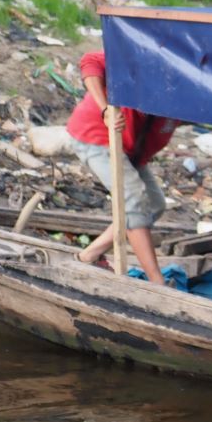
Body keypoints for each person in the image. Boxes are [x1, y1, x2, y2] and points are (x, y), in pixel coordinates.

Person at [65, 50, 179, 283]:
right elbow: (90, 61)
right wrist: (105, 108)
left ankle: (89, 254)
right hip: (97, 135)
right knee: (133, 202)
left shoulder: (185, 88)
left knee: (154, 204)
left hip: (131, 149)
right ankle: (157, 283)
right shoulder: (146, 58)